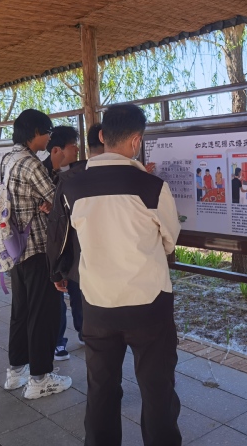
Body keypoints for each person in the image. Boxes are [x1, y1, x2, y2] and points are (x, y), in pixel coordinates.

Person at [49, 104, 182, 445]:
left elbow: (61, 237)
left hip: (97, 305)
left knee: (101, 390)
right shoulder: (152, 187)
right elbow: (169, 240)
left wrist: (58, 271)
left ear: (102, 135)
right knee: (157, 390)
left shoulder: (72, 187)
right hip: (149, 304)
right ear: (136, 141)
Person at [1, 109, 72, 400]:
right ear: (35, 133)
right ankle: (40, 378)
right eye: (47, 133)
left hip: (15, 248)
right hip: (37, 249)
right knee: (43, 314)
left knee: (21, 311)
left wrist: (45, 204)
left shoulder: (9, 158)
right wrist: (51, 204)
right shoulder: (31, 164)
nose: (49, 138)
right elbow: (60, 201)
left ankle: (16, 371)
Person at [49, 124, 104, 361]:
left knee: (78, 293)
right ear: (57, 149)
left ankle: (84, 332)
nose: (77, 149)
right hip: (60, 245)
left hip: (77, 246)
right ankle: (59, 342)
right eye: (73, 145)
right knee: (59, 300)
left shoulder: (79, 171)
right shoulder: (49, 174)